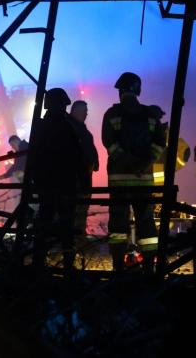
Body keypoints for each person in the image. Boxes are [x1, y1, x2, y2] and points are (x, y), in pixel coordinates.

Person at [102, 72, 165, 270]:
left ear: (120, 91)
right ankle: (148, 266)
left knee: (118, 224)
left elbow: (108, 143)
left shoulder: (112, 114)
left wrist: (127, 162)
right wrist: (144, 163)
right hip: (143, 179)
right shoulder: (151, 115)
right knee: (146, 222)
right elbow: (159, 144)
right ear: (138, 90)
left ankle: (118, 266)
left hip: (119, 180)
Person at [29, 88, 84, 268]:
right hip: (65, 185)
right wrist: (81, 182)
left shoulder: (39, 127)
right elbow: (77, 156)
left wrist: (36, 182)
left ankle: (39, 260)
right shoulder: (67, 127)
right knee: (66, 225)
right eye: (63, 105)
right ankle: (68, 264)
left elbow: (34, 157)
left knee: (45, 223)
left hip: (46, 185)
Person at [148, 105, 189, 217]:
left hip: (155, 179)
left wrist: (173, 167)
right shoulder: (146, 131)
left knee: (156, 211)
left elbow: (184, 152)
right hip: (146, 178)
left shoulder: (165, 133)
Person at [68, 100, 99, 241]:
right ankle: (72, 241)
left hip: (84, 178)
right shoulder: (70, 128)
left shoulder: (82, 129)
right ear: (74, 111)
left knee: (81, 210)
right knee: (73, 211)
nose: (86, 114)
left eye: (86, 111)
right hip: (75, 180)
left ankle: (77, 238)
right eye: (83, 111)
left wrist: (93, 163)